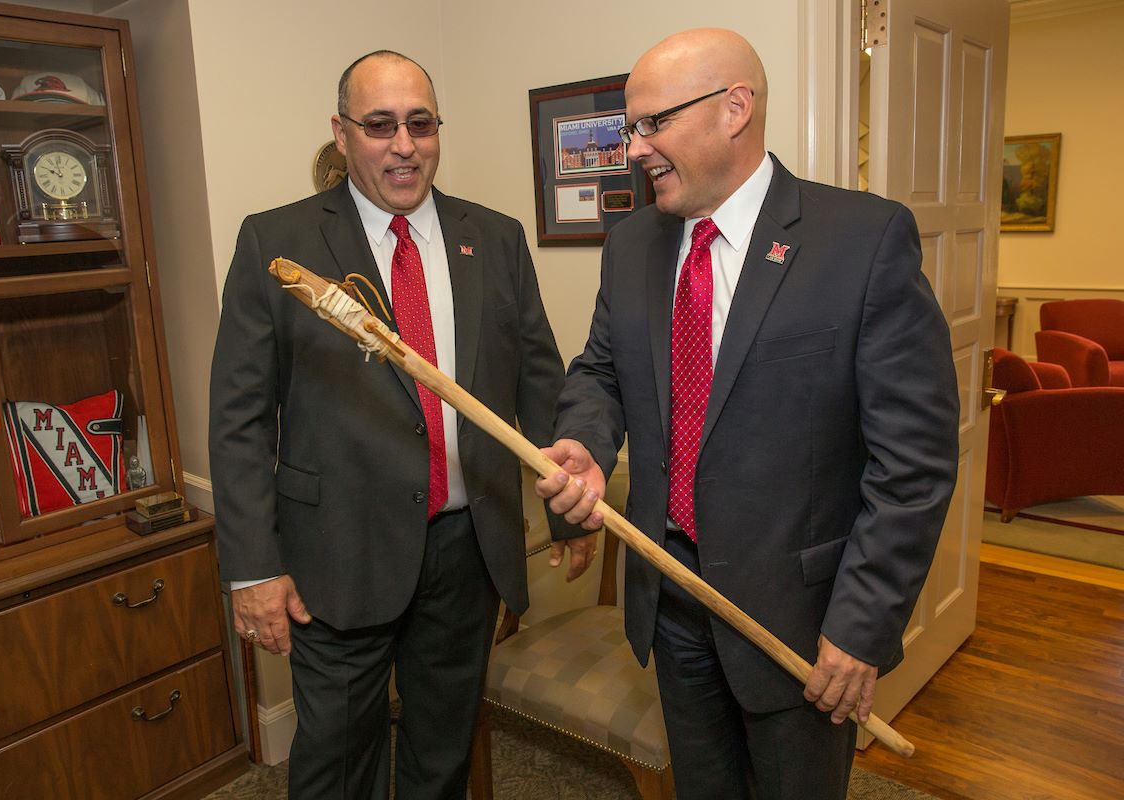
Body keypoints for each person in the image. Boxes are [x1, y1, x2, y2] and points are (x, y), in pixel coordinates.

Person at [537, 28, 959, 799]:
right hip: (671, 596)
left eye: (651, 123)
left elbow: (915, 464)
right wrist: (585, 442)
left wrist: (861, 624)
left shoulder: (861, 241)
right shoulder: (632, 245)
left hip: (799, 618)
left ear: (736, 108)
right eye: (632, 126)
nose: (635, 147)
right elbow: (601, 369)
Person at [209, 50, 592, 800]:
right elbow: (239, 418)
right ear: (343, 133)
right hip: (336, 556)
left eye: (420, 123)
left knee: (441, 755)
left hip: (466, 551)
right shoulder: (275, 243)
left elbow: (540, 382)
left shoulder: (498, 237)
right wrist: (254, 569)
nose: (404, 144)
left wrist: (566, 507)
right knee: (336, 761)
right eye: (380, 125)